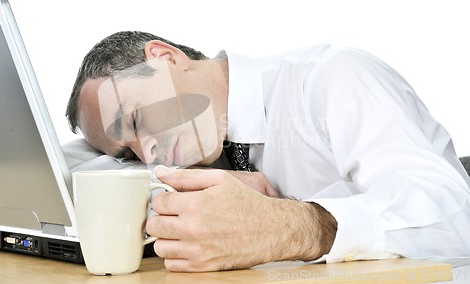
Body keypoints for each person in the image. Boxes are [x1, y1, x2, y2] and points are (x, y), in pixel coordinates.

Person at [66, 31, 470, 273]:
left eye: (135, 122)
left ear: (165, 57)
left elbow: (456, 219)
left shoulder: (332, 77)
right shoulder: (207, 158)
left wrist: (287, 226)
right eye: (130, 154)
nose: (148, 152)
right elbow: (72, 171)